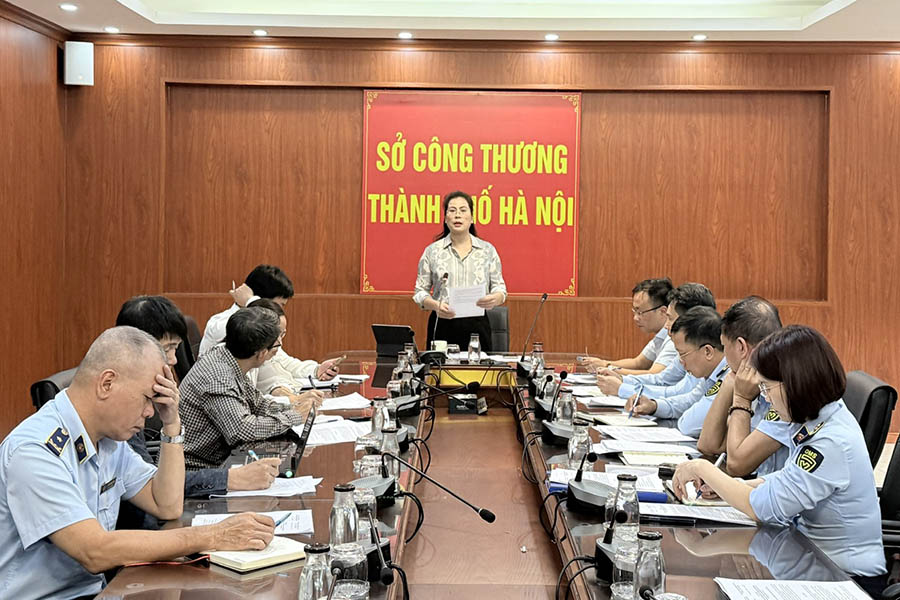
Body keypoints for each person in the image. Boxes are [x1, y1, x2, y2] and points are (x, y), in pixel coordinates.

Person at [0, 327, 275, 599]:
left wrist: (172, 423)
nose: (149, 412)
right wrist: (213, 536)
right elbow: (94, 551)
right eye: (147, 398)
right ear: (107, 383)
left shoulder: (109, 441)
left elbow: (166, 504)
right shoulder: (35, 451)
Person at [672, 325, 886, 580]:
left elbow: (763, 508)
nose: (766, 398)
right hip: (809, 558)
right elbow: (788, 478)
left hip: (846, 578)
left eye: (766, 388)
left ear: (793, 382)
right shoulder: (819, 415)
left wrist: (702, 468)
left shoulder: (830, 442)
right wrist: (731, 486)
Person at [116, 295, 281, 498]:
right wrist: (231, 478)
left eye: (175, 348)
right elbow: (151, 487)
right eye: (167, 349)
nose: (173, 360)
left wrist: (171, 424)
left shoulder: (151, 397)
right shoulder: (120, 408)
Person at [180, 306, 309, 469]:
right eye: (277, 344)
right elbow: (242, 430)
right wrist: (294, 417)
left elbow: (258, 404)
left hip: (225, 458)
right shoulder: (219, 378)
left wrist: (294, 408)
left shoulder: (228, 357)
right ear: (262, 353)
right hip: (199, 470)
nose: (280, 347)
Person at [697, 296, 791, 476]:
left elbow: (737, 465)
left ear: (741, 347)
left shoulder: (783, 387)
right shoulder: (752, 381)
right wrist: (729, 383)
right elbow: (709, 445)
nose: (724, 357)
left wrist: (742, 398)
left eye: (724, 346)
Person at [198, 264, 341, 381]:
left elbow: (282, 361)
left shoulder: (264, 330)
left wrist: (316, 370)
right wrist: (253, 302)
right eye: (277, 306)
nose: (278, 312)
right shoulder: (221, 324)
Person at [413, 190, 507, 352]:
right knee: (440, 368)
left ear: (472, 218)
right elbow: (419, 292)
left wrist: (495, 298)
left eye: (463, 210)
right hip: (442, 323)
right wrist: (435, 305)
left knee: (478, 368)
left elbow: (500, 289)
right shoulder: (432, 251)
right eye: (452, 210)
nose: (457, 215)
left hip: (477, 326)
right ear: (445, 218)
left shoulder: (487, 251)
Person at [597, 282, 716, 399]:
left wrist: (622, 388)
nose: (666, 326)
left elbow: (680, 396)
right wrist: (622, 379)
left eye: (670, 318)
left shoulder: (701, 352)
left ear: (692, 319)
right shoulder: (686, 346)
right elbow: (661, 379)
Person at [626, 306, 731, 437]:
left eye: (682, 354)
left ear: (707, 352)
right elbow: (689, 400)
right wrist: (654, 406)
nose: (680, 361)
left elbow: (688, 425)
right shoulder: (712, 373)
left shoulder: (728, 376)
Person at [583, 278, 674, 375]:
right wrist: (603, 363)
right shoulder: (660, 336)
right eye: (635, 311)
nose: (635, 318)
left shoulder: (673, 338)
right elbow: (639, 363)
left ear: (663, 311)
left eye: (640, 312)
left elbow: (655, 375)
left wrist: (608, 368)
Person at [248, 298, 328, 409]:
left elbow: (276, 377)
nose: (280, 342)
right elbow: (250, 406)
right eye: (276, 335)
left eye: (282, 335)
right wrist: (294, 400)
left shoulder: (263, 352)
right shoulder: (239, 360)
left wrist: (317, 370)